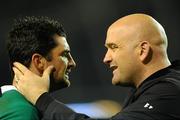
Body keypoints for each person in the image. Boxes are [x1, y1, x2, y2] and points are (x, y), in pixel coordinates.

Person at [14, 13, 180, 120]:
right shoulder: (150, 90)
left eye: (113, 47)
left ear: (142, 50)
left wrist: (41, 98)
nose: (106, 58)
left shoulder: (169, 93)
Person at [1, 16, 76, 119]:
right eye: (64, 54)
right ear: (39, 61)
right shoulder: (23, 112)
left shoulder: (7, 102)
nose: (72, 63)